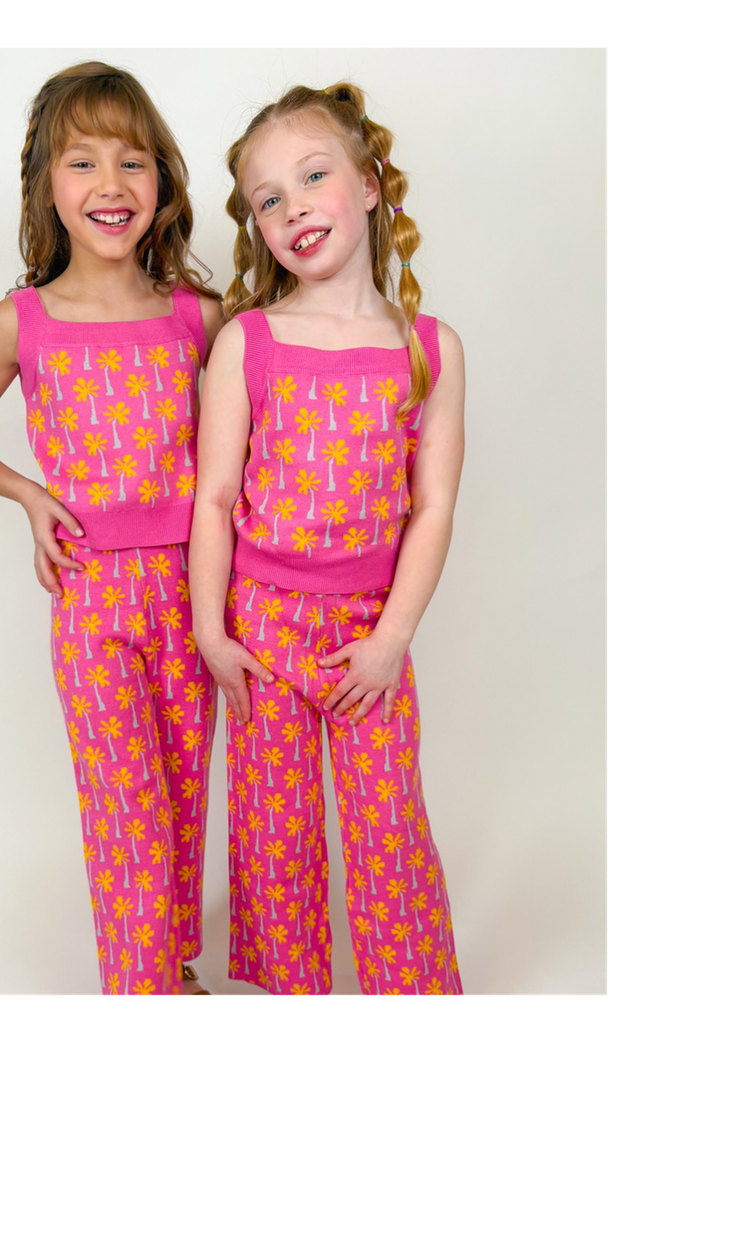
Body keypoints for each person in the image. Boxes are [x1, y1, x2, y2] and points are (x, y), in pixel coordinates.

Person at [0, 62, 224, 998]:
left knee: (182, 790)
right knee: (123, 801)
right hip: (92, 598)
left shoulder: (201, 319)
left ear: (162, 181)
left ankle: (171, 962)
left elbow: (255, 446)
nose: (110, 184)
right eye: (82, 161)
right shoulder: (20, 323)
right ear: (46, 186)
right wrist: (28, 494)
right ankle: (142, 984)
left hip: (196, 593)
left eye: (132, 161)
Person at [190, 82, 464, 998]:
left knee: (391, 833)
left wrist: (392, 640)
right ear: (257, 226)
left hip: (369, 635)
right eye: (269, 198)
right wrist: (210, 632)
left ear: (371, 184)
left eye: (314, 177)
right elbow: (215, 499)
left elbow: (432, 508)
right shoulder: (247, 342)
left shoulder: (430, 347)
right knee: (274, 836)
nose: (295, 207)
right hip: (261, 631)